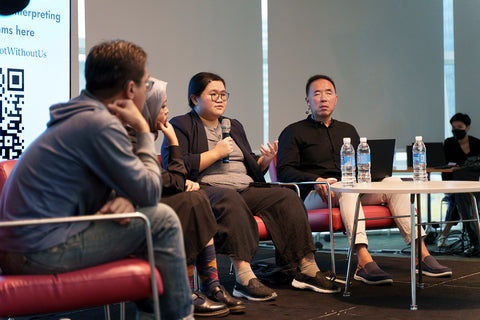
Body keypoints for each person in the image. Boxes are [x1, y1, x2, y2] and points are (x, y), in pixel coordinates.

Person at [0, 40, 193, 320]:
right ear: (129, 90)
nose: (146, 91)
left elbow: (108, 181)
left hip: (23, 245)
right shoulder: (100, 124)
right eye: (146, 84)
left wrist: (124, 198)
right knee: (161, 219)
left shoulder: (79, 113)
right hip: (37, 252)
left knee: (147, 218)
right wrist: (141, 128)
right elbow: (150, 192)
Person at [161, 71, 341, 302]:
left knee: (286, 197)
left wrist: (264, 161)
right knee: (230, 199)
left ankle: (306, 269)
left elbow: (249, 168)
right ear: (195, 99)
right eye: (213, 94)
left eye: (223, 94)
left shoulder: (233, 125)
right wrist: (215, 153)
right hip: (208, 189)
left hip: (245, 187)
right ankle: (244, 278)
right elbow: (177, 165)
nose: (220, 99)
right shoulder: (182, 124)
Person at [276, 74, 452, 285]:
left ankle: (421, 254)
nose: (323, 98)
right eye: (316, 94)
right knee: (348, 191)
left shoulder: (347, 130)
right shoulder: (294, 131)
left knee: (393, 183)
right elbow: (284, 171)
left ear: (336, 98)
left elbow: (362, 165)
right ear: (307, 101)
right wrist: (316, 179)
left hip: (347, 190)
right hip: (315, 195)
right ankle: (362, 261)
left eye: (328, 93)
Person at [128, 77, 244, 316]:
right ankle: (190, 289)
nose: (167, 111)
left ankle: (210, 285)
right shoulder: (132, 139)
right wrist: (173, 141)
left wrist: (181, 183)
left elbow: (167, 180)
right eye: (162, 106)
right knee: (194, 202)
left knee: (197, 198)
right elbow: (168, 180)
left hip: (147, 203)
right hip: (135, 213)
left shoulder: (142, 138)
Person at [437, 113, 480, 256]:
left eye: (459, 127)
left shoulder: (477, 143)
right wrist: (446, 186)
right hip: (455, 183)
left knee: (461, 199)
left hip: (475, 184)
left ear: (467, 127)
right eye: (453, 127)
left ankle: (445, 235)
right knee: (460, 198)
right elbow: (446, 167)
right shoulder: (449, 143)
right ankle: (475, 241)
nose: (456, 130)